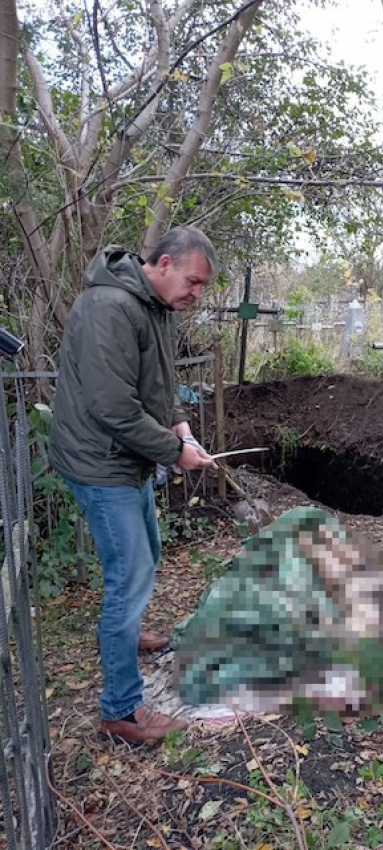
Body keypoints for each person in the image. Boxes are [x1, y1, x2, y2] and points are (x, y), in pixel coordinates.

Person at [49, 226, 218, 744]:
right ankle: (121, 709)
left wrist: (181, 428)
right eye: (193, 282)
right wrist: (173, 451)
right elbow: (113, 406)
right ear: (163, 264)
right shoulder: (109, 308)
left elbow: (157, 387)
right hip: (100, 463)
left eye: (202, 287)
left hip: (127, 459)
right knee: (131, 575)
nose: (196, 294)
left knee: (146, 552)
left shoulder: (154, 307)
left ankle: (124, 637)